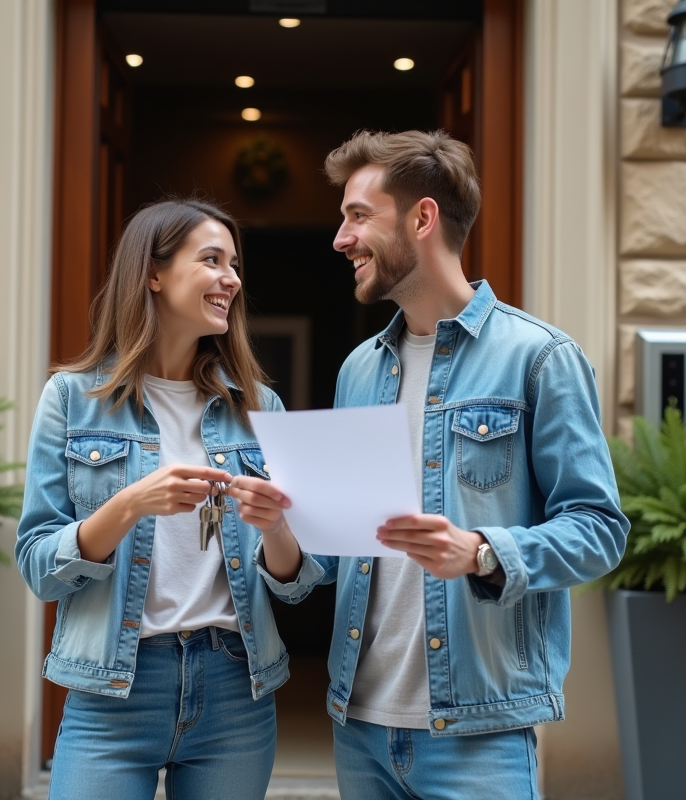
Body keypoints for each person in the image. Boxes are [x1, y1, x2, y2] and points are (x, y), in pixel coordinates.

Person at [260, 130, 630, 799]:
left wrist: (482, 552)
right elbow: (330, 563)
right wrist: (276, 529)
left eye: (358, 215)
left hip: (477, 734)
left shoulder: (540, 358)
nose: (341, 239)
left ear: (422, 218)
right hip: (360, 727)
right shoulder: (359, 370)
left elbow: (600, 529)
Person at [15, 198, 318, 800]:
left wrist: (279, 529)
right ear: (153, 274)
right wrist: (129, 504)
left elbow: (298, 581)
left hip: (235, 687)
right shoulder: (72, 399)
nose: (232, 278)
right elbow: (37, 566)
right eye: (212, 259)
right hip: (114, 690)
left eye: (234, 264)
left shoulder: (260, 409)